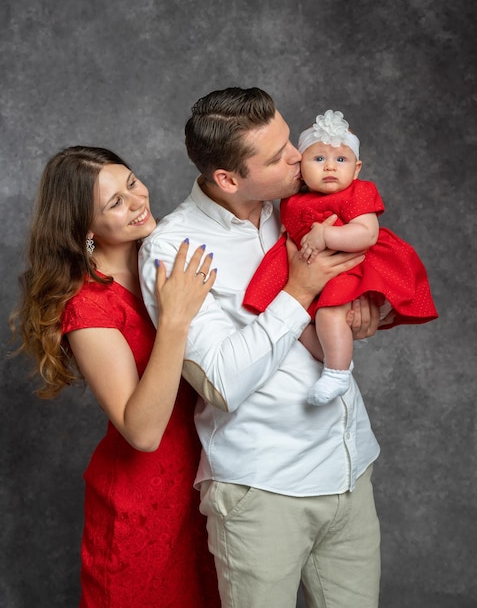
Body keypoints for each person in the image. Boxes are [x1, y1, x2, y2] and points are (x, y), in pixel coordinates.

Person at [139, 88, 385, 608]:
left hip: (349, 469)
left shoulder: (301, 206)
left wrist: (365, 312)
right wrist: (297, 291)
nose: (300, 156)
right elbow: (223, 382)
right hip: (263, 492)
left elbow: (353, 284)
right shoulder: (175, 249)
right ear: (228, 178)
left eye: (288, 139)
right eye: (277, 157)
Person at [10, 146, 221, 608]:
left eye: (131, 183)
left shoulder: (164, 251)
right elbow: (141, 431)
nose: (137, 199)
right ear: (86, 230)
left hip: (208, 488)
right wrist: (175, 321)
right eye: (115, 203)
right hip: (142, 507)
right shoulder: (87, 306)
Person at [243, 109, 438, 405]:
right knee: (287, 319)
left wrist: (326, 235)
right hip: (302, 268)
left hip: (345, 268)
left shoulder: (357, 193)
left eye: (341, 160)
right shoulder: (291, 196)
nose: (329, 167)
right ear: (301, 166)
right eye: (318, 159)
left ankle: (336, 373)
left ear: (357, 169)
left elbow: (367, 234)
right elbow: (290, 224)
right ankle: (334, 356)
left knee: (329, 313)